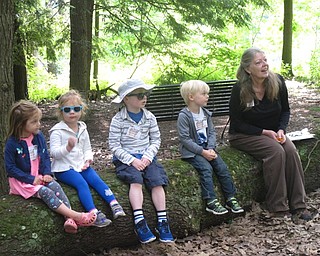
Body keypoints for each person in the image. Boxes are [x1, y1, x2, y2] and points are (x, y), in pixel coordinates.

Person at [228, 47, 312, 220]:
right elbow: (236, 122)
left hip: (274, 132)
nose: (264, 65)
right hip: (244, 135)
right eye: (258, 62)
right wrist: (264, 132)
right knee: (276, 151)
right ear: (247, 69)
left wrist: (281, 129)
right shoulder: (240, 89)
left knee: (291, 151)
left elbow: (286, 111)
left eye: (265, 60)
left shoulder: (278, 82)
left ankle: (299, 205)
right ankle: (278, 207)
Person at [4, 100, 97, 234]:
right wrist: (30, 179)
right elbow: (10, 168)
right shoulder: (12, 143)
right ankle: (76, 216)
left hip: (39, 176)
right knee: (46, 192)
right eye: (34, 122)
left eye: (38, 120)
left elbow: (45, 156)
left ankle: (68, 219)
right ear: (20, 124)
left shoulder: (38, 136)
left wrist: (47, 172)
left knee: (55, 186)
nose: (39, 124)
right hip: (22, 182)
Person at [108, 78, 175, 244]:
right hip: (126, 158)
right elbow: (114, 145)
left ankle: (162, 221)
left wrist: (147, 157)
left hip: (146, 156)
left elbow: (156, 140)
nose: (143, 98)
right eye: (139, 95)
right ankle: (139, 221)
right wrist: (131, 160)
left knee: (157, 181)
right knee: (136, 181)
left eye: (145, 94)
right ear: (126, 99)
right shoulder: (118, 120)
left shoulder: (150, 117)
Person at [49, 90, 126, 228]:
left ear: (81, 110)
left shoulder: (83, 127)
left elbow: (87, 148)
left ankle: (114, 203)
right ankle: (93, 213)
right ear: (61, 112)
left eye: (76, 109)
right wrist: (68, 147)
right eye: (67, 109)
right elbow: (54, 153)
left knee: (96, 180)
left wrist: (88, 159)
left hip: (80, 164)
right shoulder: (57, 131)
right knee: (82, 183)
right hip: (64, 168)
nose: (72, 112)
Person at [177, 80, 244, 215]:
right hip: (193, 152)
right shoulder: (184, 116)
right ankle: (210, 201)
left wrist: (211, 148)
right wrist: (202, 152)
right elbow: (185, 139)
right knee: (206, 169)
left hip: (208, 148)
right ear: (191, 97)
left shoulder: (205, 114)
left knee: (222, 168)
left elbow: (212, 132)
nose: (207, 96)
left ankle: (230, 197)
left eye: (207, 93)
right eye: (204, 94)